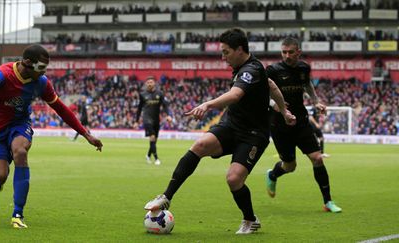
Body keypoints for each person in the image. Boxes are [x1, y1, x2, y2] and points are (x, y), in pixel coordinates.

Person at [144, 28, 296, 234]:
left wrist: (207, 105)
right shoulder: (249, 68)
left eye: (226, 52)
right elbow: (272, 85)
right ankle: (166, 197)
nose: (223, 57)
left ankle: (250, 219)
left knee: (234, 179)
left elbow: (234, 95)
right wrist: (284, 111)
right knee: (200, 145)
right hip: (231, 125)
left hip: (253, 134)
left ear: (239, 50)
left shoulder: (251, 70)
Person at [0, 44, 103, 229]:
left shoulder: (41, 82)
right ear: (27, 63)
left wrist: (85, 134)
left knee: (20, 151)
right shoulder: (0, 74)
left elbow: (61, 109)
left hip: (19, 125)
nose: (44, 71)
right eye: (41, 67)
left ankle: (18, 213)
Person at [265, 37, 342, 213]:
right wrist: (273, 104)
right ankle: (273, 174)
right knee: (290, 166)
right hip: (280, 124)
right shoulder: (273, 70)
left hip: (300, 120)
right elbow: (261, 92)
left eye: (290, 52)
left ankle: (328, 202)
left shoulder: (303, 67)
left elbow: (306, 84)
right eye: (284, 52)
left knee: (317, 158)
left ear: (298, 52)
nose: (287, 56)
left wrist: (315, 102)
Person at [135, 77, 171, 165]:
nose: (149, 84)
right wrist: (136, 121)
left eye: (151, 82)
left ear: (154, 83)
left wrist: (168, 115)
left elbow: (165, 105)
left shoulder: (160, 93)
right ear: (146, 84)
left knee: (154, 140)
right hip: (147, 118)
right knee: (152, 137)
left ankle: (148, 155)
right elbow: (139, 108)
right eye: (148, 82)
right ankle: (156, 159)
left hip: (156, 119)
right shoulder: (143, 94)